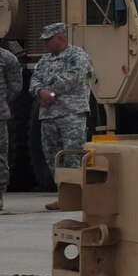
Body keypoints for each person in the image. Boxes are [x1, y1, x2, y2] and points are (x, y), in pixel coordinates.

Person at [32, 22, 96, 183]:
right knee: (52, 156)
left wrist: (50, 92)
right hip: (48, 115)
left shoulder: (77, 55)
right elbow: (34, 79)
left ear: (60, 38)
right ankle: (62, 193)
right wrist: (40, 91)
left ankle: (75, 194)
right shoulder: (45, 60)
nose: (44, 43)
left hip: (71, 114)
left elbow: (73, 78)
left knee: (73, 155)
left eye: (48, 39)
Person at [0, 44, 20, 212]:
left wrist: (2, 103)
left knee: (0, 156)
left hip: (0, 115)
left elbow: (15, 86)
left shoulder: (7, 58)